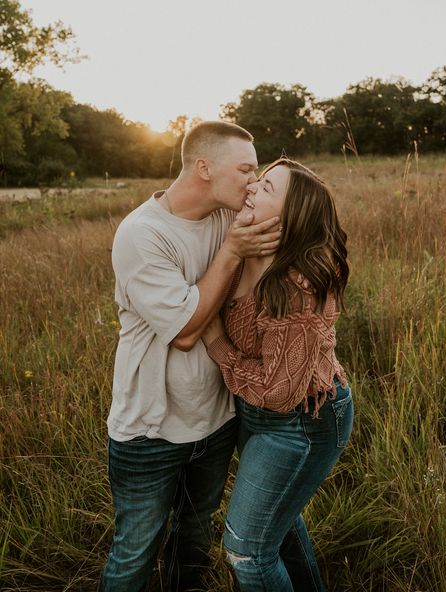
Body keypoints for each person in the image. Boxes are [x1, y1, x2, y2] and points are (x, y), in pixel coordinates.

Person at [98, 121, 282, 592]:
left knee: (195, 540)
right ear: (204, 167)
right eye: (245, 169)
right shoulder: (142, 234)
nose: (253, 181)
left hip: (216, 421)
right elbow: (184, 332)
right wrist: (235, 251)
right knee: (135, 552)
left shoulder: (229, 213)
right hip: (150, 430)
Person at [202, 158, 354, 591]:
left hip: (305, 421)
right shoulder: (240, 245)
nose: (251, 188)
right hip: (258, 415)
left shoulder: (298, 285)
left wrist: (218, 345)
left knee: (246, 550)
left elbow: (279, 390)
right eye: (258, 180)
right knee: (280, 530)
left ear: (291, 219)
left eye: (266, 188)